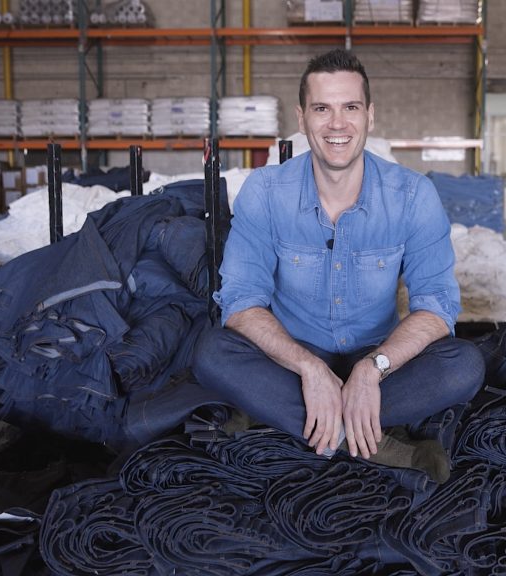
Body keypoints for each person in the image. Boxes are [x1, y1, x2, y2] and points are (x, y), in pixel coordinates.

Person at [192, 49, 484, 482]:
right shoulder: (267, 191)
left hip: (381, 363)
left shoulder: (411, 195)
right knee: (212, 354)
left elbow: (437, 305)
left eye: (350, 107)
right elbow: (240, 301)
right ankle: (373, 443)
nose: (337, 124)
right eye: (322, 109)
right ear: (302, 117)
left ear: (370, 116)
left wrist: (372, 370)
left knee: (464, 364)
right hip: (294, 359)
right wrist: (309, 369)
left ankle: (301, 423)